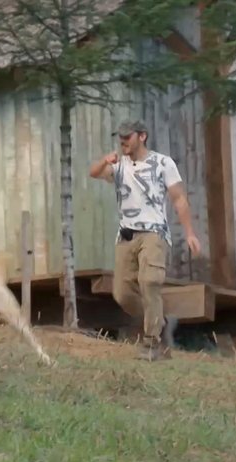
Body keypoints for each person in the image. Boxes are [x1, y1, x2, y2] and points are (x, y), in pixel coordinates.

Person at [89, 119, 201, 361]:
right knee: (122, 294)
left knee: (149, 281)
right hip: (126, 235)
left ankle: (152, 343)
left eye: (127, 137)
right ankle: (160, 322)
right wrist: (104, 161)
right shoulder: (119, 166)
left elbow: (179, 199)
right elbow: (94, 173)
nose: (123, 141)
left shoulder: (163, 163)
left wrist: (190, 232)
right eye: (120, 137)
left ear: (142, 136)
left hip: (153, 233)